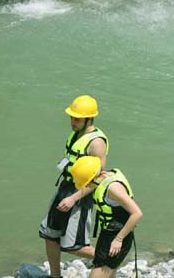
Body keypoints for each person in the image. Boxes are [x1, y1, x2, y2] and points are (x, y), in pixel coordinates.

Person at [39, 96, 109, 278]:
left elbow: (100, 178)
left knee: (73, 246)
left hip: (80, 196)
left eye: (77, 118)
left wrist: (73, 198)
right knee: (49, 235)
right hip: (65, 187)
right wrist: (66, 194)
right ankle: (55, 276)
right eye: (72, 117)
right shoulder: (75, 134)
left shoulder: (97, 143)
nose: (73, 121)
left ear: (89, 119)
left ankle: (111, 259)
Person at [70, 156, 143, 278]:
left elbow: (137, 213)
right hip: (108, 233)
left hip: (116, 236)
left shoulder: (113, 189)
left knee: (101, 269)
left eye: (86, 183)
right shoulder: (106, 175)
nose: (86, 186)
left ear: (92, 178)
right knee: (108, 271)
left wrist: (118, 239)